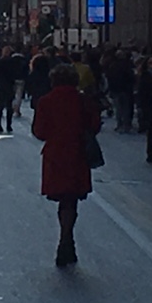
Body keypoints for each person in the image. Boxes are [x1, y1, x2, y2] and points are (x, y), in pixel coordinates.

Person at [33, 63, 102, 267]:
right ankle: (67, 239)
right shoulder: (83, 101)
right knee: (71, 199)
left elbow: (40, 132)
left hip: (56, 155)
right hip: (78, 153)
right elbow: (95, 125)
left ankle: (66, 240)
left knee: (63, 198)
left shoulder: (46, 101)